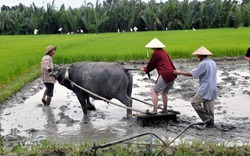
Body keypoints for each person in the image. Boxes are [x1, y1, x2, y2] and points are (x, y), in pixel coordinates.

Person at [173, 46, 217, 129]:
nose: (197, 56)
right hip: (213, 87)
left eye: (198, 55)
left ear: (201, 55)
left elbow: (192, 74)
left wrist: (179, 72)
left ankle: (207, 119)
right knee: (208, 107)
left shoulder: (203, 63)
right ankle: (210, 125)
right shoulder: (212, 62)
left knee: (194, 102)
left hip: (205, 88)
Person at [140, 38, 177, 114]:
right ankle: (165, 110)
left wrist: (145, 69)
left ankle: (154, 110)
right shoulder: (164, 52)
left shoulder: (156, 53)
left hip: (165, 74)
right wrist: (147, 69)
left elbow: (152, 64)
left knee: (154, 90)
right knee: (164, 92)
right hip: (173, 74)